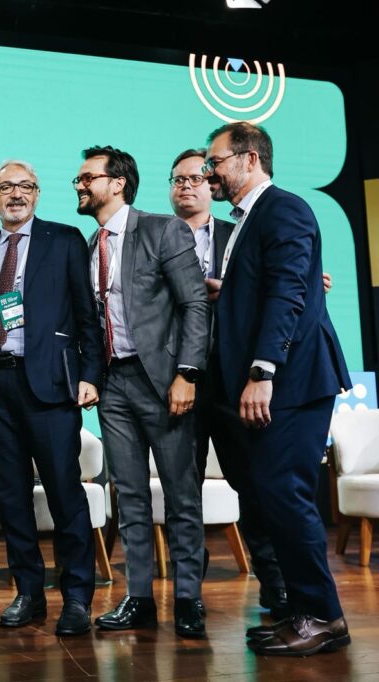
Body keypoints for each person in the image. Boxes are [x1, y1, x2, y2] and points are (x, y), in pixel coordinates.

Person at [204, 122, 351, 656]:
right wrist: (228, 292)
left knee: (286, 495)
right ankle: (300, 612)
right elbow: (267, 286)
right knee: (273, 496)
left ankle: (324, 618)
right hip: (281, 381)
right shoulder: (249, 218)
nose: (209, 172)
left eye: (215, 161)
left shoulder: (283, 209)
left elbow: (289, 292)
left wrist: (262, 372)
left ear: (249, 159)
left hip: (292, 381)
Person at [76, 146, 210, 638]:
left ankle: (188, 598)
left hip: (164, 380)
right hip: (114, 384)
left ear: (117, 183)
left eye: (88, 177)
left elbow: (194, 304)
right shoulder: (90, 245)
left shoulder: (162, 230)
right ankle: (139, 597)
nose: (80, 185)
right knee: (128, 495)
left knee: (180, 494)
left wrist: (187, 373)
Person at [0, 160, 103, 635]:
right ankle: (28, 593)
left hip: (50, 386)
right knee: (11, 497)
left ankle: (77, 597)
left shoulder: (63, 240)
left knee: (65, 494)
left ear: (38, 194)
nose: (16, 194)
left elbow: (88, 315)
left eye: (25, 186)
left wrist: (91, 375)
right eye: (5, 187)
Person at [167, 148, 288, 617]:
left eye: (197, 177)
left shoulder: (239, 232)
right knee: (182, 489)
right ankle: (187, 593)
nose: (187, 185)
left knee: (252, 482)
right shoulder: (154, 237)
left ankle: (275, 585)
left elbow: (278, 283)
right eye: (178, 179)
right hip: (178, 380)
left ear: (211, 184)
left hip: (234, 377)